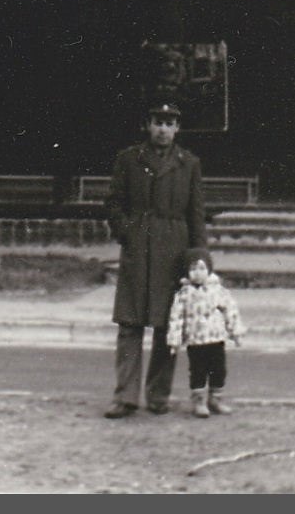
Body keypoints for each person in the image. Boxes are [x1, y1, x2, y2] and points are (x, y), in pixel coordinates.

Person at [103, 102, 207, 418]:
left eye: (170, 123)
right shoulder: (129, 160)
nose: (163, 129)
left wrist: (198, 258)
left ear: (177, 129)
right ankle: (126, 397)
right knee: (130, 324)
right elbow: (113, 203)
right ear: (148, 125)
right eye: (158, 122)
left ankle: (158, 395)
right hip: (138, 247)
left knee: (167, 326)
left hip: (173, 250)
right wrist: (126, 232)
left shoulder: (188, 163)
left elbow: (196, 214)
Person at [165, 247, 245, 418]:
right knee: (197, 371)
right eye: (193, 269)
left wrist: (235, 332)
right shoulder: (183, 294)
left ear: (209, 270)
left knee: (218, 369)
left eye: (202, 268)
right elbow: (176, 319)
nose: (198, 273)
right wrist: (174, 341)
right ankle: (199, 401)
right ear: (187, 272)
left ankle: (216, 399)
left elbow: (230, 310)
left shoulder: (218, 290)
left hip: (216, 338)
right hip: (195, 341)